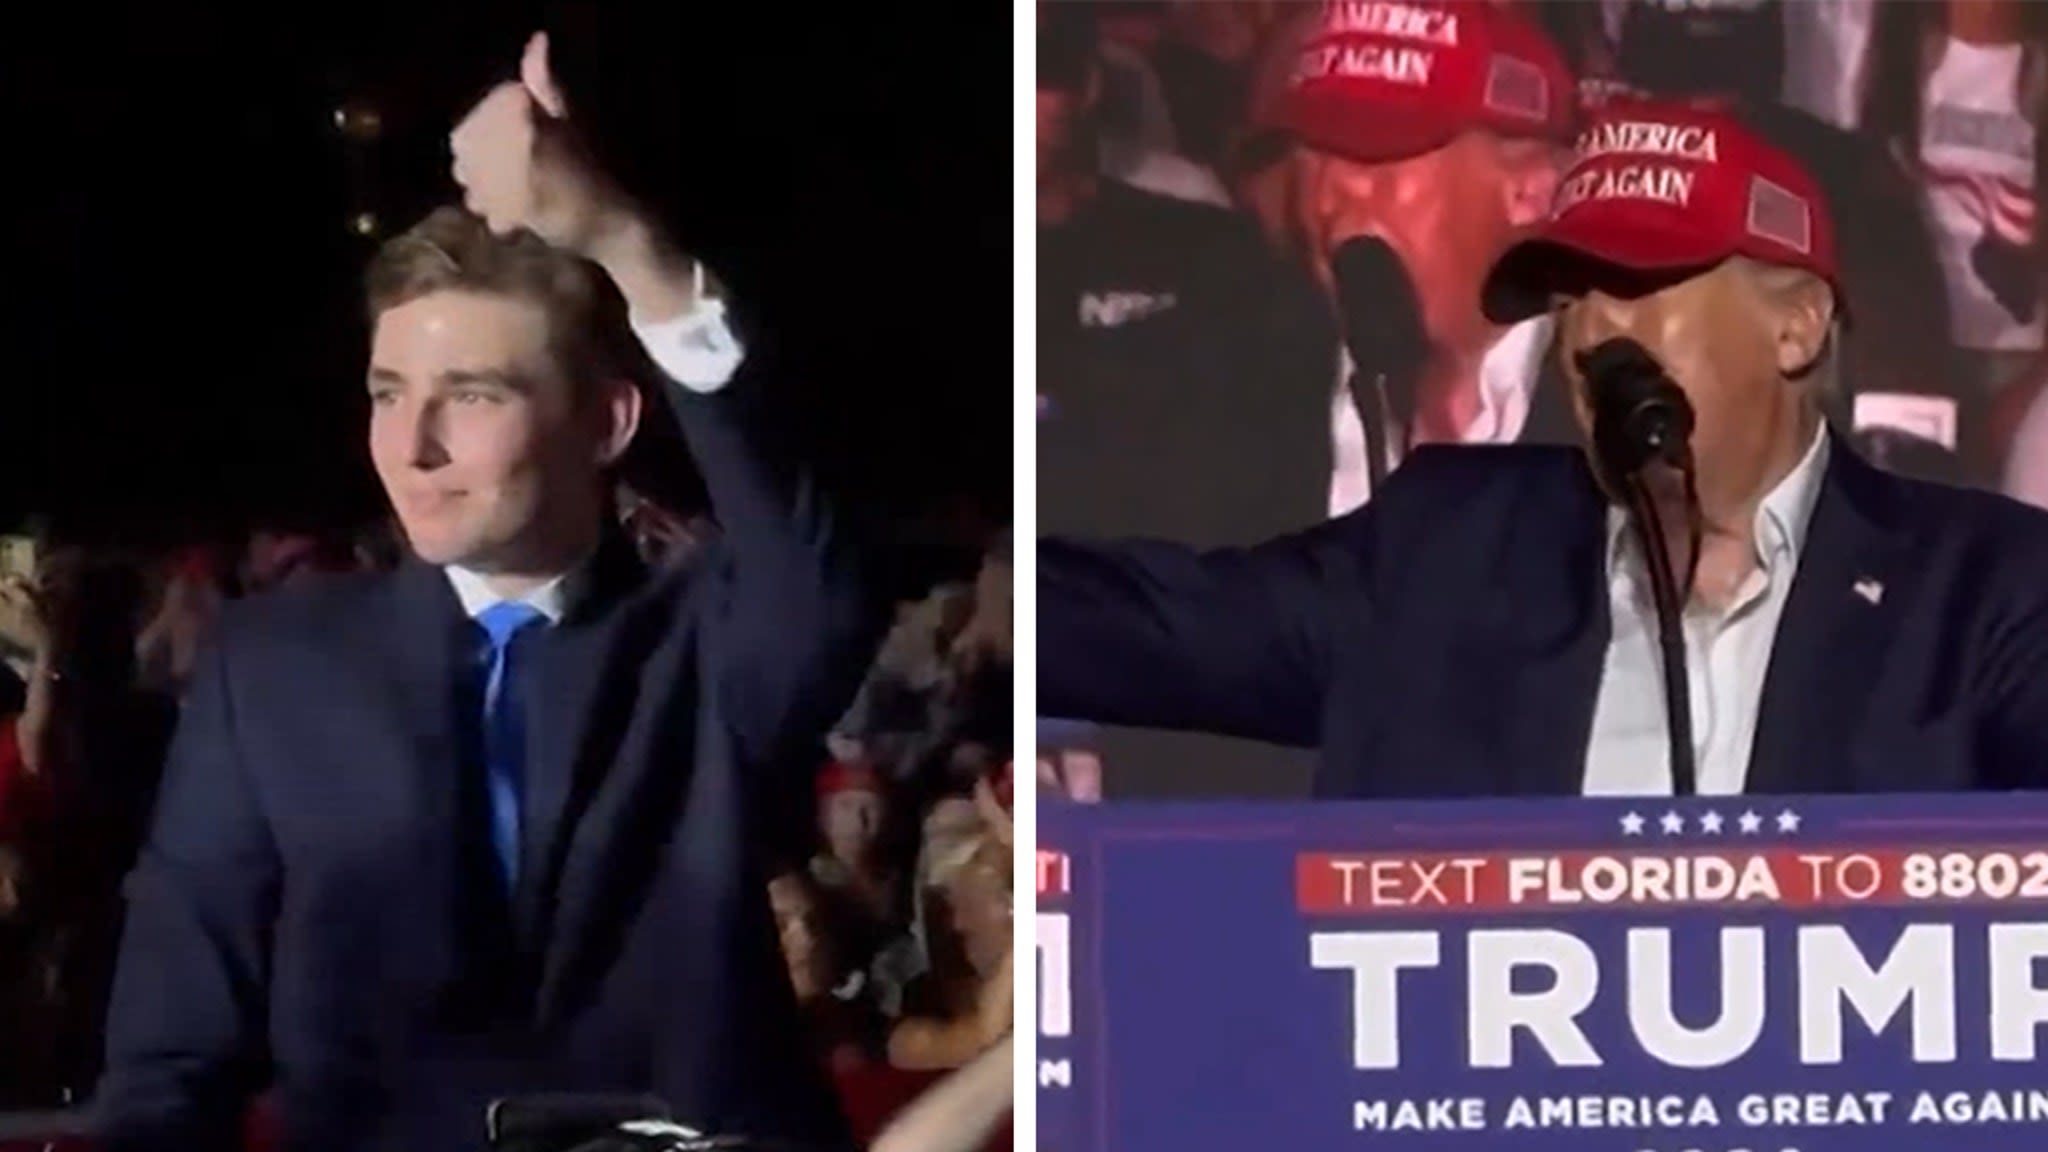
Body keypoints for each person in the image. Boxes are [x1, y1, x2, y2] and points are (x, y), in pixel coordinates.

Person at [96, 33, 884, 1152]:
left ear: (606, 421)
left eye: (468, 395)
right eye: (385, 391)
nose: (408, 446)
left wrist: (621, 239)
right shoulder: (275, 667)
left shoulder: (707, 641)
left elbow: (817, 565)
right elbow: (172, 1058)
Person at [1039, 98, 2048, 797]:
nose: (1589, 335)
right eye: (1566, 299)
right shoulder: (1450, 552)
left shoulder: (1977, 590)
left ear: (1796, 327)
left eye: (1635, 284)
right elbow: (1150, 628)